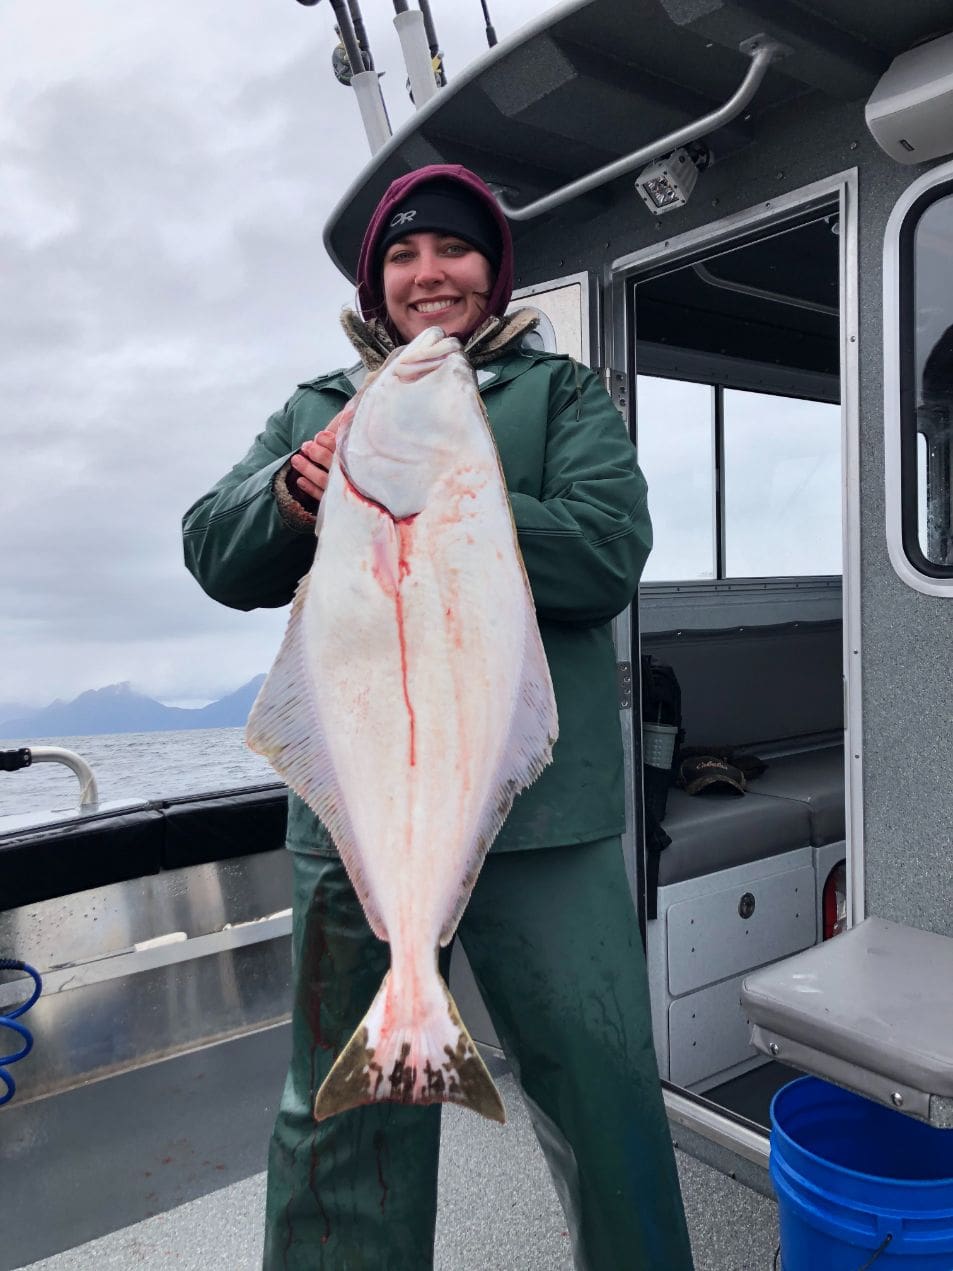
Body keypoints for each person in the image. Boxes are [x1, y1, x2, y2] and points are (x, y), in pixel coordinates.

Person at [182, 163, 693, 1271]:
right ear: (376, 282)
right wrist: (293, 492)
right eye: (402, 255)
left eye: (453, 250)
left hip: (543, 817)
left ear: (490, 268)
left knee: (598, 1087)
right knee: (337, 1112)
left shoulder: (560, 397)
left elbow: (605, 549)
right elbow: (213, 551)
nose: (429, 274)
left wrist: (446, 490)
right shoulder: (316, 410)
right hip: (356, 820)